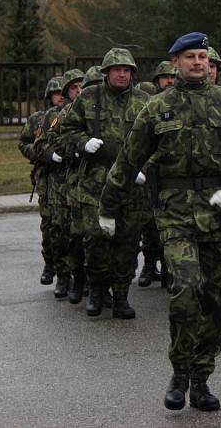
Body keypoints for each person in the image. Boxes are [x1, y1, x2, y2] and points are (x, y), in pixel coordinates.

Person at [99, 32, 221, 411]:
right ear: (176, 63)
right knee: (186, 288)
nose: (198, 62)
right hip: (176, 213)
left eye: (203, 56)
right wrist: (107, 207)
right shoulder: (157, 109)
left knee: (218, 299)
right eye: (190, 57)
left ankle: (203, 377)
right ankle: (180, 370)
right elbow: (128, 160)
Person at [58, 48, 150, 318]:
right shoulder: (89, 98)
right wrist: (82, 143)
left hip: (131, 186)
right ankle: (97, 290)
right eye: (116, 69)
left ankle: (121, 295)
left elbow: (158, 141)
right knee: (95, 239)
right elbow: (66, 132)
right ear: (106, 72)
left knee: (128, 242)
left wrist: (143, 168)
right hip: (94, 184)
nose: (122, 74)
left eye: (126, 70)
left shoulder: (144, 101)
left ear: (132, 73)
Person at [34, 70, 84, 298]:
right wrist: (52, 154)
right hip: (59, 182)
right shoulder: (54, 117)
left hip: (85, 182)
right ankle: (63, 276)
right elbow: (38, 145)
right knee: (61, 230)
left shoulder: (94, 112)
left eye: (82, 86)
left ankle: (87, 279)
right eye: (74, 88)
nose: (79, 91)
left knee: (85, 233)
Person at [18, 76, 64, 285]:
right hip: (46, 177)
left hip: (68, 177)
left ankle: (69, 271)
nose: (60, 97)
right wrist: (40, 154)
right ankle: (49, 263)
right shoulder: (38, 119)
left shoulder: (74, 114)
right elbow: (24, 143)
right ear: (50, 96)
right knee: (49, 223)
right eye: (57, 94)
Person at [137, 61, 177, 288]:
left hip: (171, 176)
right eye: (164, 78)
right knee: (150, 226)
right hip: (150, 175)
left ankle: (169, 270)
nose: (169, 81)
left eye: (172, 77)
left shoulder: (180, 103)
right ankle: (150, 265)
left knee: (171, 227)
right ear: (157, 81)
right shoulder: (150, 105)